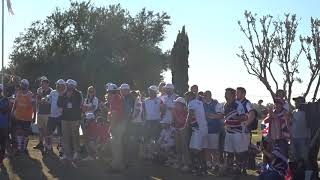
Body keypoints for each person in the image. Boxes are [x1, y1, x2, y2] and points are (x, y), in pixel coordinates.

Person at [223, 88, 247, 175]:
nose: (225, 96)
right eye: (225, 94)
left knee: (238, 152)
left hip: (237, 132)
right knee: (228, 152)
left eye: (227, 94)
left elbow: (244, 117)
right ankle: (229, 168)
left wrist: (237, 117)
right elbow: (225, 117)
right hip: (228, 132)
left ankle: (238, 169)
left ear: (233, 96)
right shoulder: (225, 105)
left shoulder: (238, 104)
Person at [57, 79, 82, 161]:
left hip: (74, 119)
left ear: (73, 86)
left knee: (75, 136)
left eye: (69, 85)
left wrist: (69, 98)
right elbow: (59, 104)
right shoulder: (63, 93)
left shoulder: (78, 94)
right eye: (67, 85)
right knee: (65, 137)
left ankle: (76, 153)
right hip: (64, 118)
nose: (67, 86)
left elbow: (78, 106)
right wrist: (61, 96)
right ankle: (66, 154)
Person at [185, 91, 208, 176]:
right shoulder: (200, 102)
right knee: (201, 149)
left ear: (190, 97)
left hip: (197, 129)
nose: (186, 99)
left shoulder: (192, 102)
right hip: (204, 128)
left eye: (186, 97)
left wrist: (186, 124)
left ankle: (198, 169)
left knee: (194, 149)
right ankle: (204, 168)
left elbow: (190, 114)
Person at [12, 79, 36, 154]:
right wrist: (12, 111)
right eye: (22, 84)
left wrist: (34, 116)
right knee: (19, 131)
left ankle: (24, 148)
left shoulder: (31, 94)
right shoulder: (18, 93)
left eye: (24, 85)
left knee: (25, 133)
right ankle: (19, 148)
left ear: (27, 86)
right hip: (18, 116)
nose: (23, 86)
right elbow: (15, 103)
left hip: (27, 117)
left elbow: (34, 106)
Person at [236, 87, 257, 173]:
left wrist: (246, 124)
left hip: (245, 131)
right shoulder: (235, 102)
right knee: (237, 149)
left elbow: (252, 114)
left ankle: (244, 168)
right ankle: (238, 166)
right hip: (236, 130)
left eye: (238, 93)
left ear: (244, 94)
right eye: (236, 93)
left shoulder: (247, 103)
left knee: (244, 149)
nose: (236, 94)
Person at [203, 90, 224, 171]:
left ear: (210, 95)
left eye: (206, 95)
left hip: (214, 129)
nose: (205, 97)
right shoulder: (202, 104)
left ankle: (216, 164)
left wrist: (210, 116)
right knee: (206, 148)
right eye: (204, 96)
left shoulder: (216, 103)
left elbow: (221, 115)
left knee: (214, 149)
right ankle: (208, 164)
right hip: (205, 129)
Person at [291, 96, 311, 179]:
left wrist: (309, 139)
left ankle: (307, 177)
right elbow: (291, 124)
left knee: (305, 160)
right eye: (295, 102)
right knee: (296, 159)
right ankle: (298, 176)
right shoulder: (293, 112)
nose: (296, 103)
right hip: (294, 138)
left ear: (303, 102)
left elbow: (309, 126)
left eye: (298, 101)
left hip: (304, 139)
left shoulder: (308, 112)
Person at [107, 83, 125, 171]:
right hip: (120, 123)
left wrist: (111, 126)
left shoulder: (114, 99)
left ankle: (115, 165)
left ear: (110, 92)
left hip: (117, 124)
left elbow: (114, 114)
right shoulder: (118, 97)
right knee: (118, 144)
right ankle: (118, 163)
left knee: (116, 145)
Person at [46, 79, 66, 156]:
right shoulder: (52, 92)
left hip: (61, 116)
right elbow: (49, 101)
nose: (58, 86)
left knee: (61, 134)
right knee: (48, 133)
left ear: (63, 86)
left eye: (60, 85)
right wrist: (45, 99)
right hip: (52, 116)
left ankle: (61, 149)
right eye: (57, 85)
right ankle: (49, 148)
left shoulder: (65, 93)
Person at [34, 76, 52, 151]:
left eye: (43, 83)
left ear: (47, 84)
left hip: (47, 113)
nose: (42, 85)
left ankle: (47, 144)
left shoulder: (51, 91)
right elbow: (37, 100)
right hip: (40, 112)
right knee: (40, 129)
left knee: (46, 130)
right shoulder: (39, 90)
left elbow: (50, 102)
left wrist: (43, 101)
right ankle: (40, 143)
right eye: (41, 83)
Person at [172, 97, 190, 171]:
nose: (175, 105)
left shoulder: (186, 112)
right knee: (178, 147)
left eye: (177, 103)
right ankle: (179, 163)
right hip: (177, 130)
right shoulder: (175, 110)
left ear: (182, 105)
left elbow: (182, 121)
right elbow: (175, 121)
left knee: (184, 147)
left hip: (184, 130)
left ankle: (186, 164)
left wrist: (174, 113)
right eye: (176, 103)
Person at [0, 84, 10, 166]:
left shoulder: (5, 100)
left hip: (3, 125)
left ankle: (1, 158)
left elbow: (5, 110)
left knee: (2, 143)